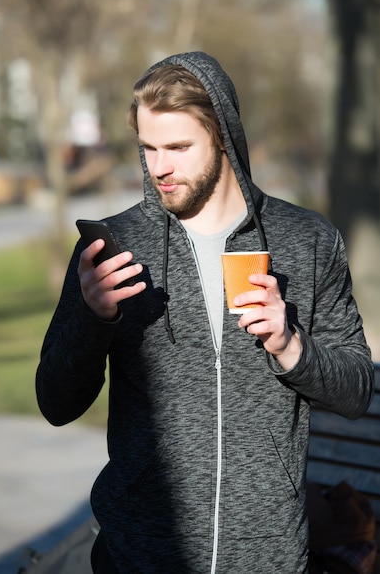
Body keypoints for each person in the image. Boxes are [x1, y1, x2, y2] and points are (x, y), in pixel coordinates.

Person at [36, 52, 374, 574]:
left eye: (177, 147)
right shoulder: (115, 247)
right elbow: (56, 403)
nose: (159, 168)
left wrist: (291, 346)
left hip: (268, 554)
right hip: (138, 553)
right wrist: (91, 320)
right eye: (147, 148)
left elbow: (356, 391)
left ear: (223, 137)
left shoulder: (306, 241)